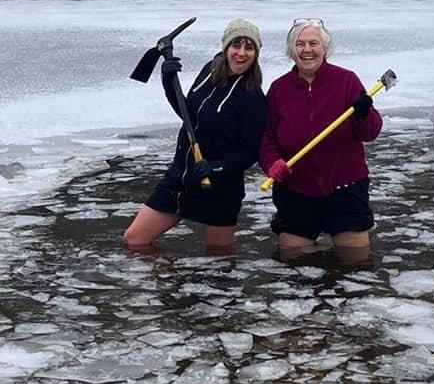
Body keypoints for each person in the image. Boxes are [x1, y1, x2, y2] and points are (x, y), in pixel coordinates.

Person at [122, 21, 267, 253]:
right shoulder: (209, 70)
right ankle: (167, 285)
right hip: (181, 176)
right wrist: (168, 82)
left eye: (249, 48)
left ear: (256, 53)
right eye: (236, 45)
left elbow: (250, 152)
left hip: (219, 189)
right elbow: (189, 116)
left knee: (219, 260)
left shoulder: (253, 97)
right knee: (134, 240)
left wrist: (216, 167)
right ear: (225, 47)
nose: (241, 53)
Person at [260, 18, 382, 259]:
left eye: (313, 43)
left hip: (345, 187)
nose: (307, 50)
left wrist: (363, 113)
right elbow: (266, 137)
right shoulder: (279, 89)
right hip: (297, 190)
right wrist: (272, 162)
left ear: (325, 48)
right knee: (291, 258)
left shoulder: (347, 81)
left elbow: (370, 132)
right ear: (291, 51)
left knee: (355, 262)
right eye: (300, 44)